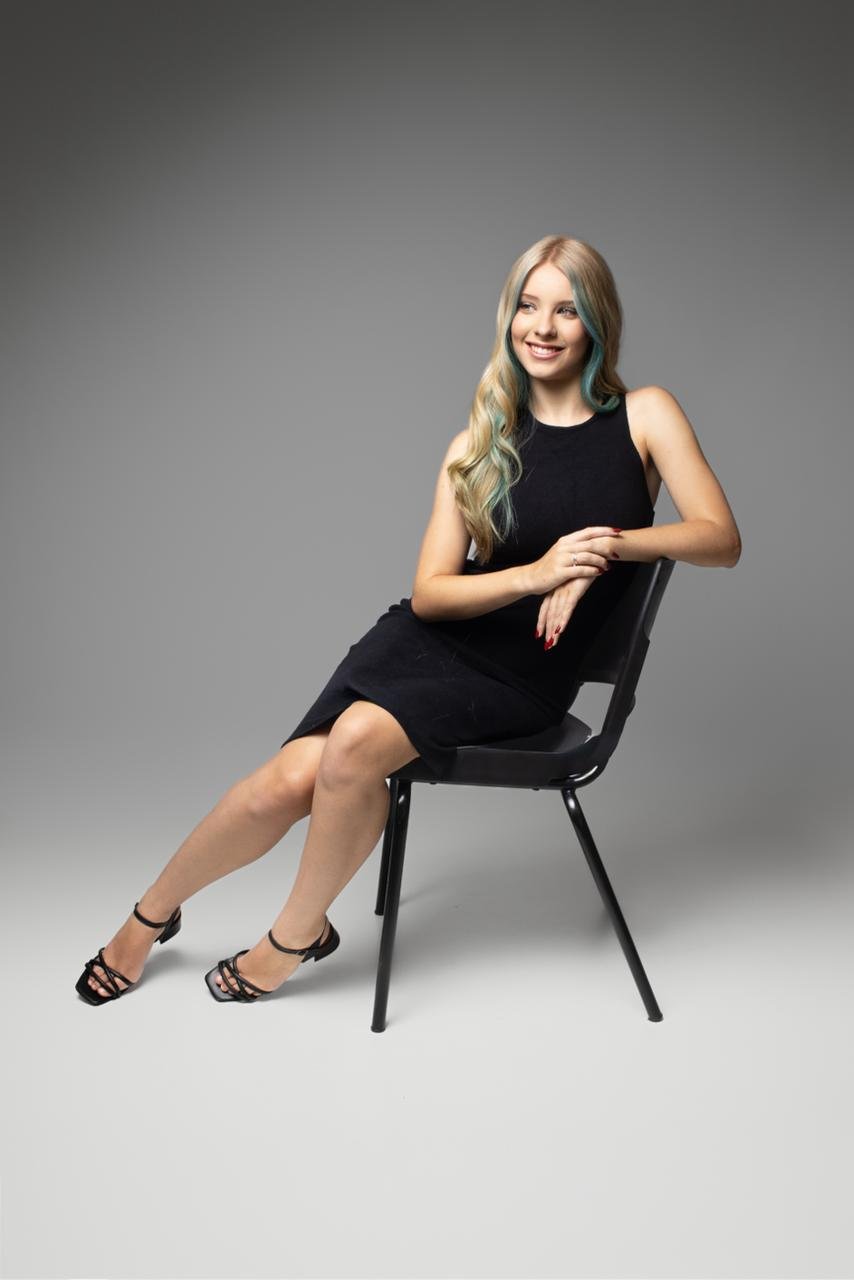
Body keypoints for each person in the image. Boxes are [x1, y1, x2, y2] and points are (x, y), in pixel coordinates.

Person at [75, 233, 741, 1006]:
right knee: (284, 782)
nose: (543, 327)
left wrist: (600, 548)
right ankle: (149, 916)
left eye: (566, 310)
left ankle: (290, 938)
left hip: (523, 676)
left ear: (596, 322)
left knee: (355, 742)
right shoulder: (479, 442)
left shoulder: (645, 415)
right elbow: (430, 595)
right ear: (509, 317)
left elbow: (720, 540)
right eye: (528, 306)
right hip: (429, 643)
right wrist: (537, 573)